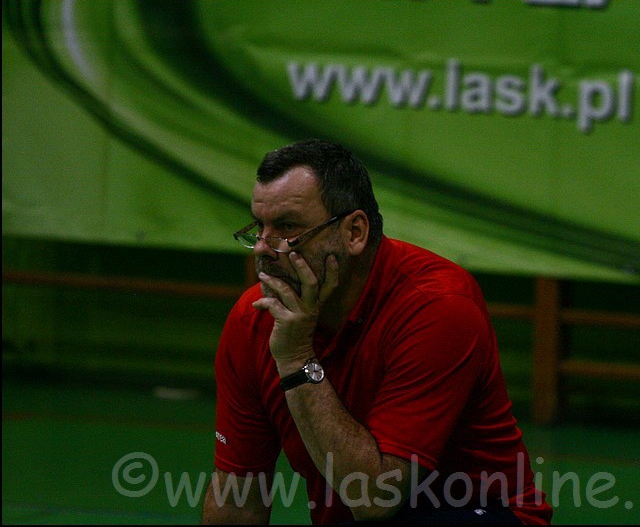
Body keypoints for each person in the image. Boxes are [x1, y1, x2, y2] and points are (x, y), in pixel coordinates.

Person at [201, 139, 553, 525]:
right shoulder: (253, 319)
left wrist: (297, 359)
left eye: (287, 227)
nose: (263, 249)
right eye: (260, 227)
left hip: (481, 513)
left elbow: (375, 497)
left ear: (354, 232)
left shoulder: (437, 306)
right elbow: (239, 498)